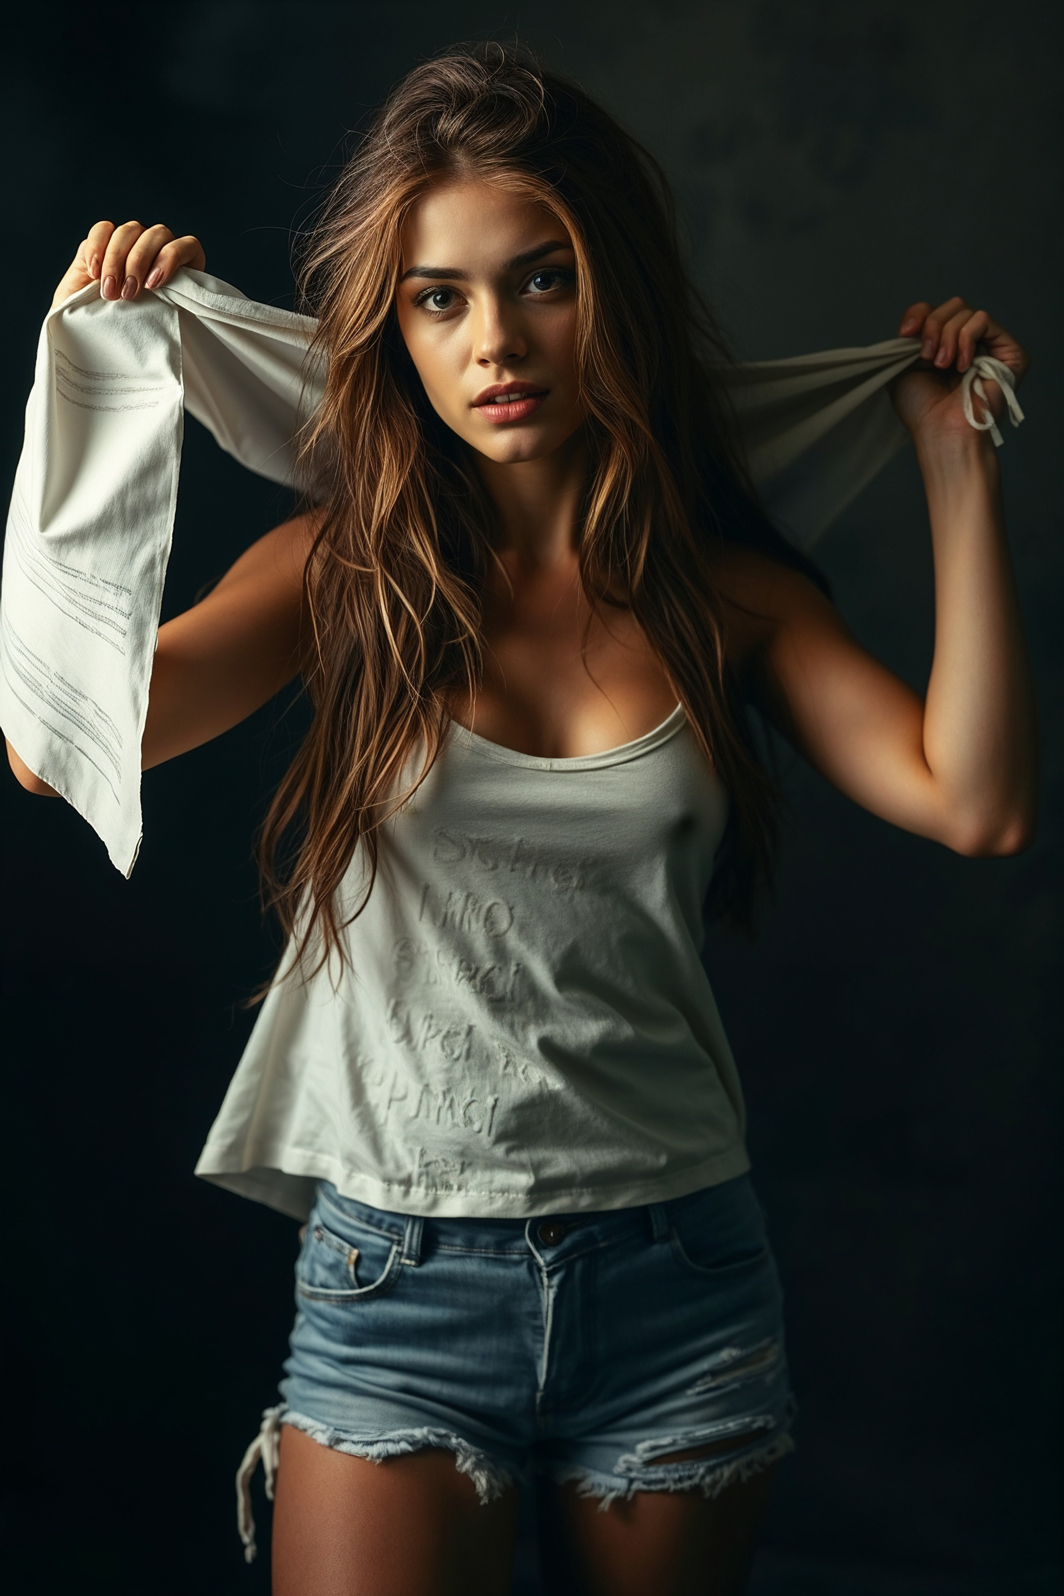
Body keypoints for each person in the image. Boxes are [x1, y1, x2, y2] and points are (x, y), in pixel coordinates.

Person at [7, 42, 1036, 1596]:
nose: (497, 339)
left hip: (679, 1271)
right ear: (397, 329)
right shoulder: (341, 574)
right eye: (439, 297)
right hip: (399, 1280)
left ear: (607, 284)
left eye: (540, 278)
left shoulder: (725, 597)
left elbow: (978, 803)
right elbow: (60, 738)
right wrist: (94, 376)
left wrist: (956, 468)